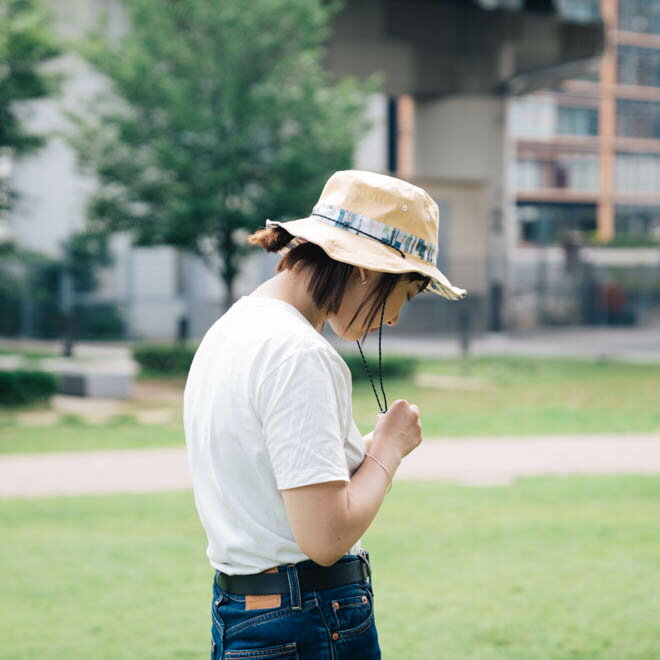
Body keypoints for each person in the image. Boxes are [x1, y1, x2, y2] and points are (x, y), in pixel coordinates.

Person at [183, 169, 466, 659]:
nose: (395, 316)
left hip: (245, 613)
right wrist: (388, 448)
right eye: (407, 292)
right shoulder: (299, 355)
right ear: (366, 268)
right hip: (307, 618)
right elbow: (325, 537)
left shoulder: (231, 331)